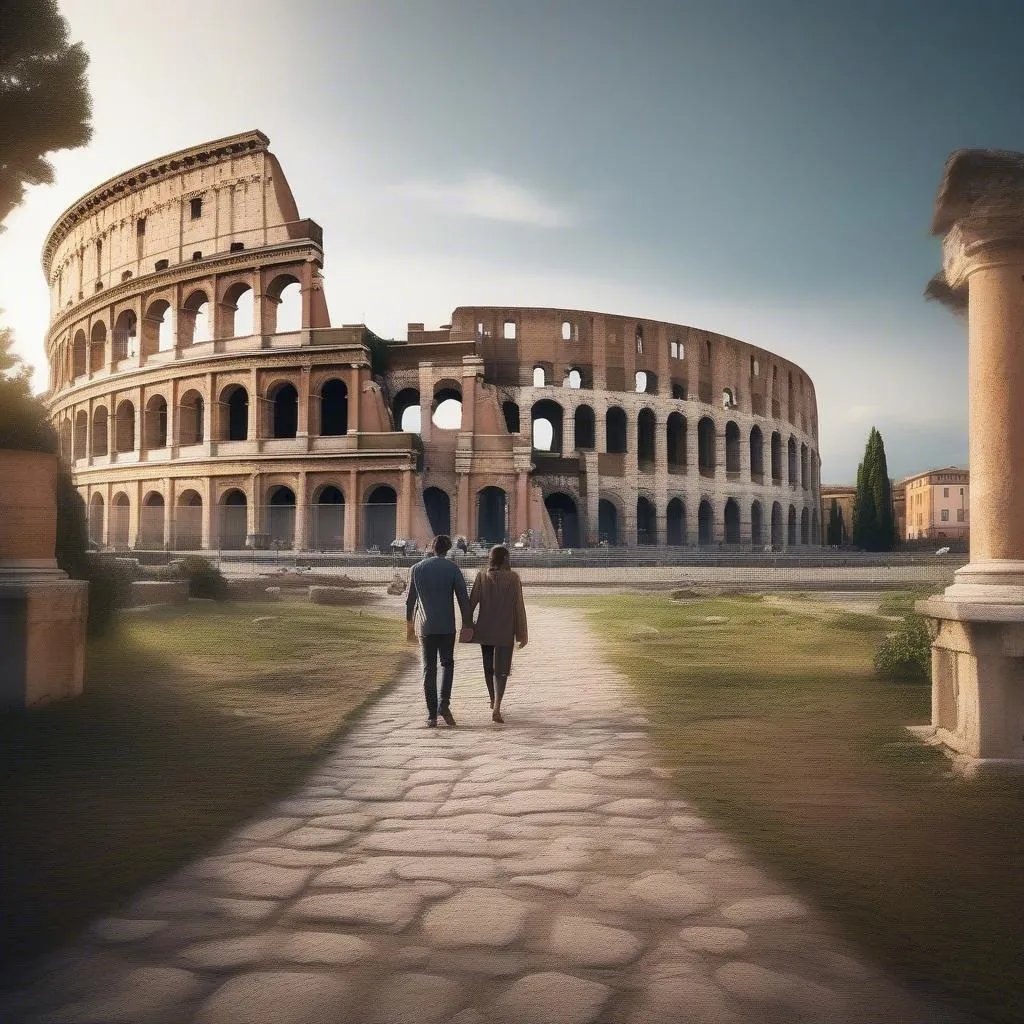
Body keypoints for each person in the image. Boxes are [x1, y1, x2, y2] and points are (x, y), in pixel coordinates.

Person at [405, 534, 471, 727]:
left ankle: (431, 714)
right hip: (447, 627)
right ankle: (444, 705)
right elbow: (463, 599)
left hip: (425, 627)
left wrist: (408, 627)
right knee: (447, 665)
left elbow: (410, 602)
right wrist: (468, 623)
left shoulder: (416, 569)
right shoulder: (452, 569)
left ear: (432, 547)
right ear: (448, 549)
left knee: (429, 669)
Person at [467, 544, 528, 724]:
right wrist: (522, 633)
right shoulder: (513, 578)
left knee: (488, 667)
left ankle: (493, 699)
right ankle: (497, 706)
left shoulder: (482, 576)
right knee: (501, 670)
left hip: (485, 629)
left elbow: (472, 602)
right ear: (506, 559)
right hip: (505, 630)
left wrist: (467, 624)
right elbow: (519, 607)